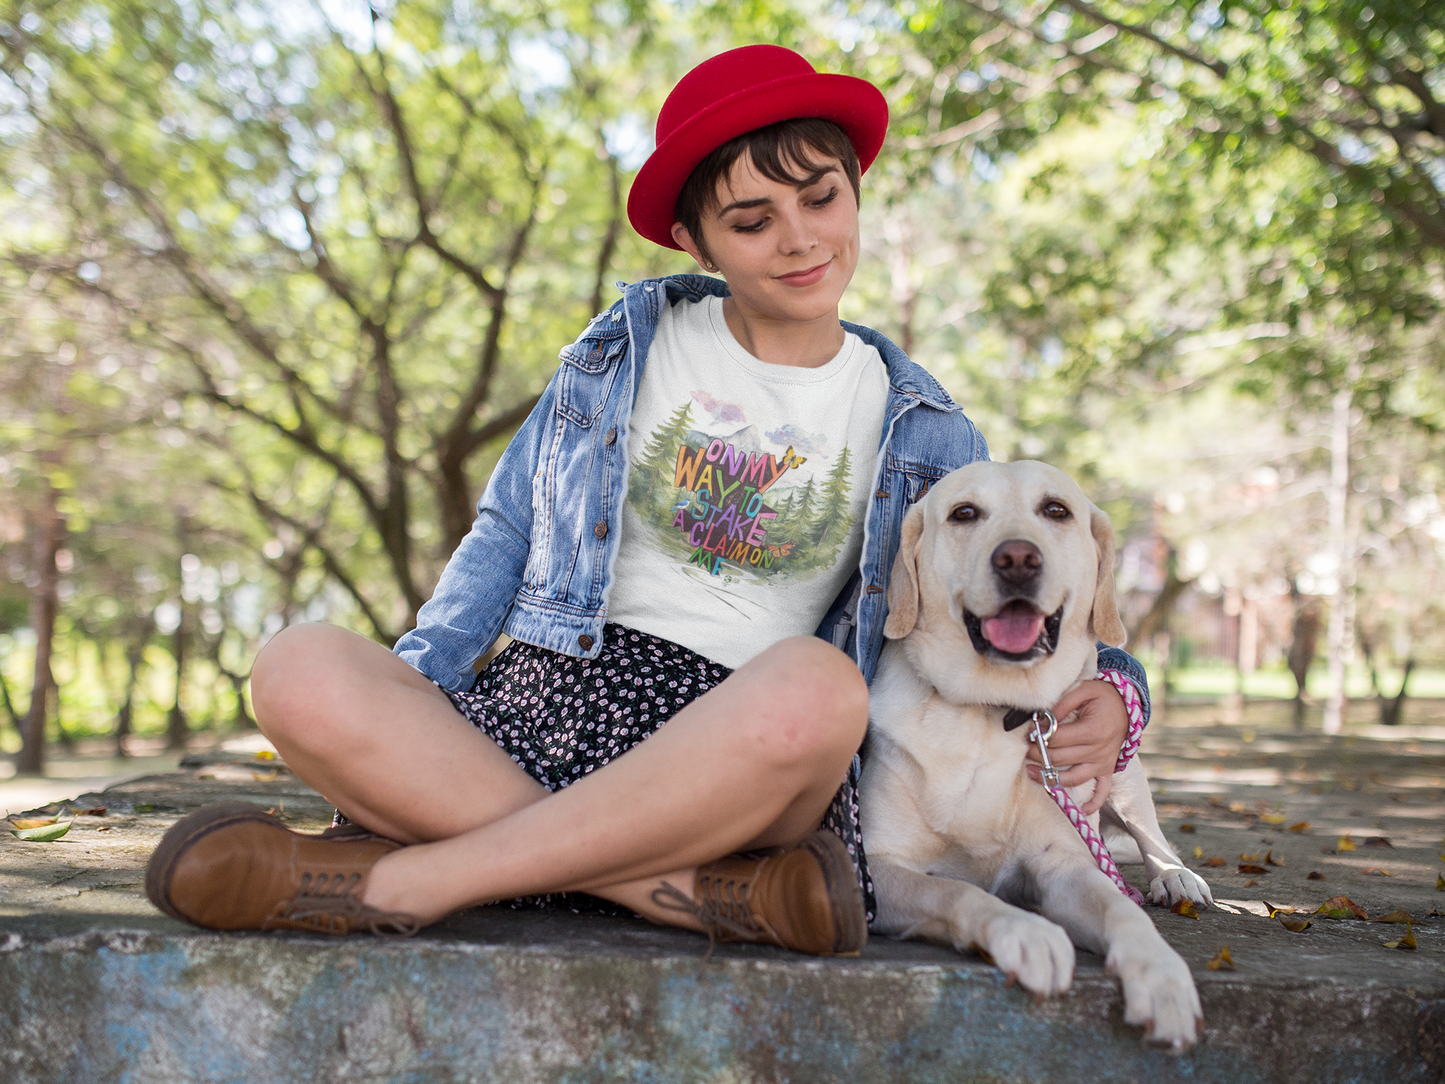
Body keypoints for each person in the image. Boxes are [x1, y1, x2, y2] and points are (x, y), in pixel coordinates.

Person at [144, 45, 1151, 955]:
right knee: (295, 665)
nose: (797, 240)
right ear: (694, 238)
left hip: (738, 745)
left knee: (822, 690)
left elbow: (1024, 593)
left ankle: (412, 876)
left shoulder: (927, 432)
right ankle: (684, 892)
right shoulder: (624, 346)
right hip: (542, 701)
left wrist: (1116, 691)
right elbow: (504, 528)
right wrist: (414, 698)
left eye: (819, 199)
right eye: (750, 220)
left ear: (855, 192)